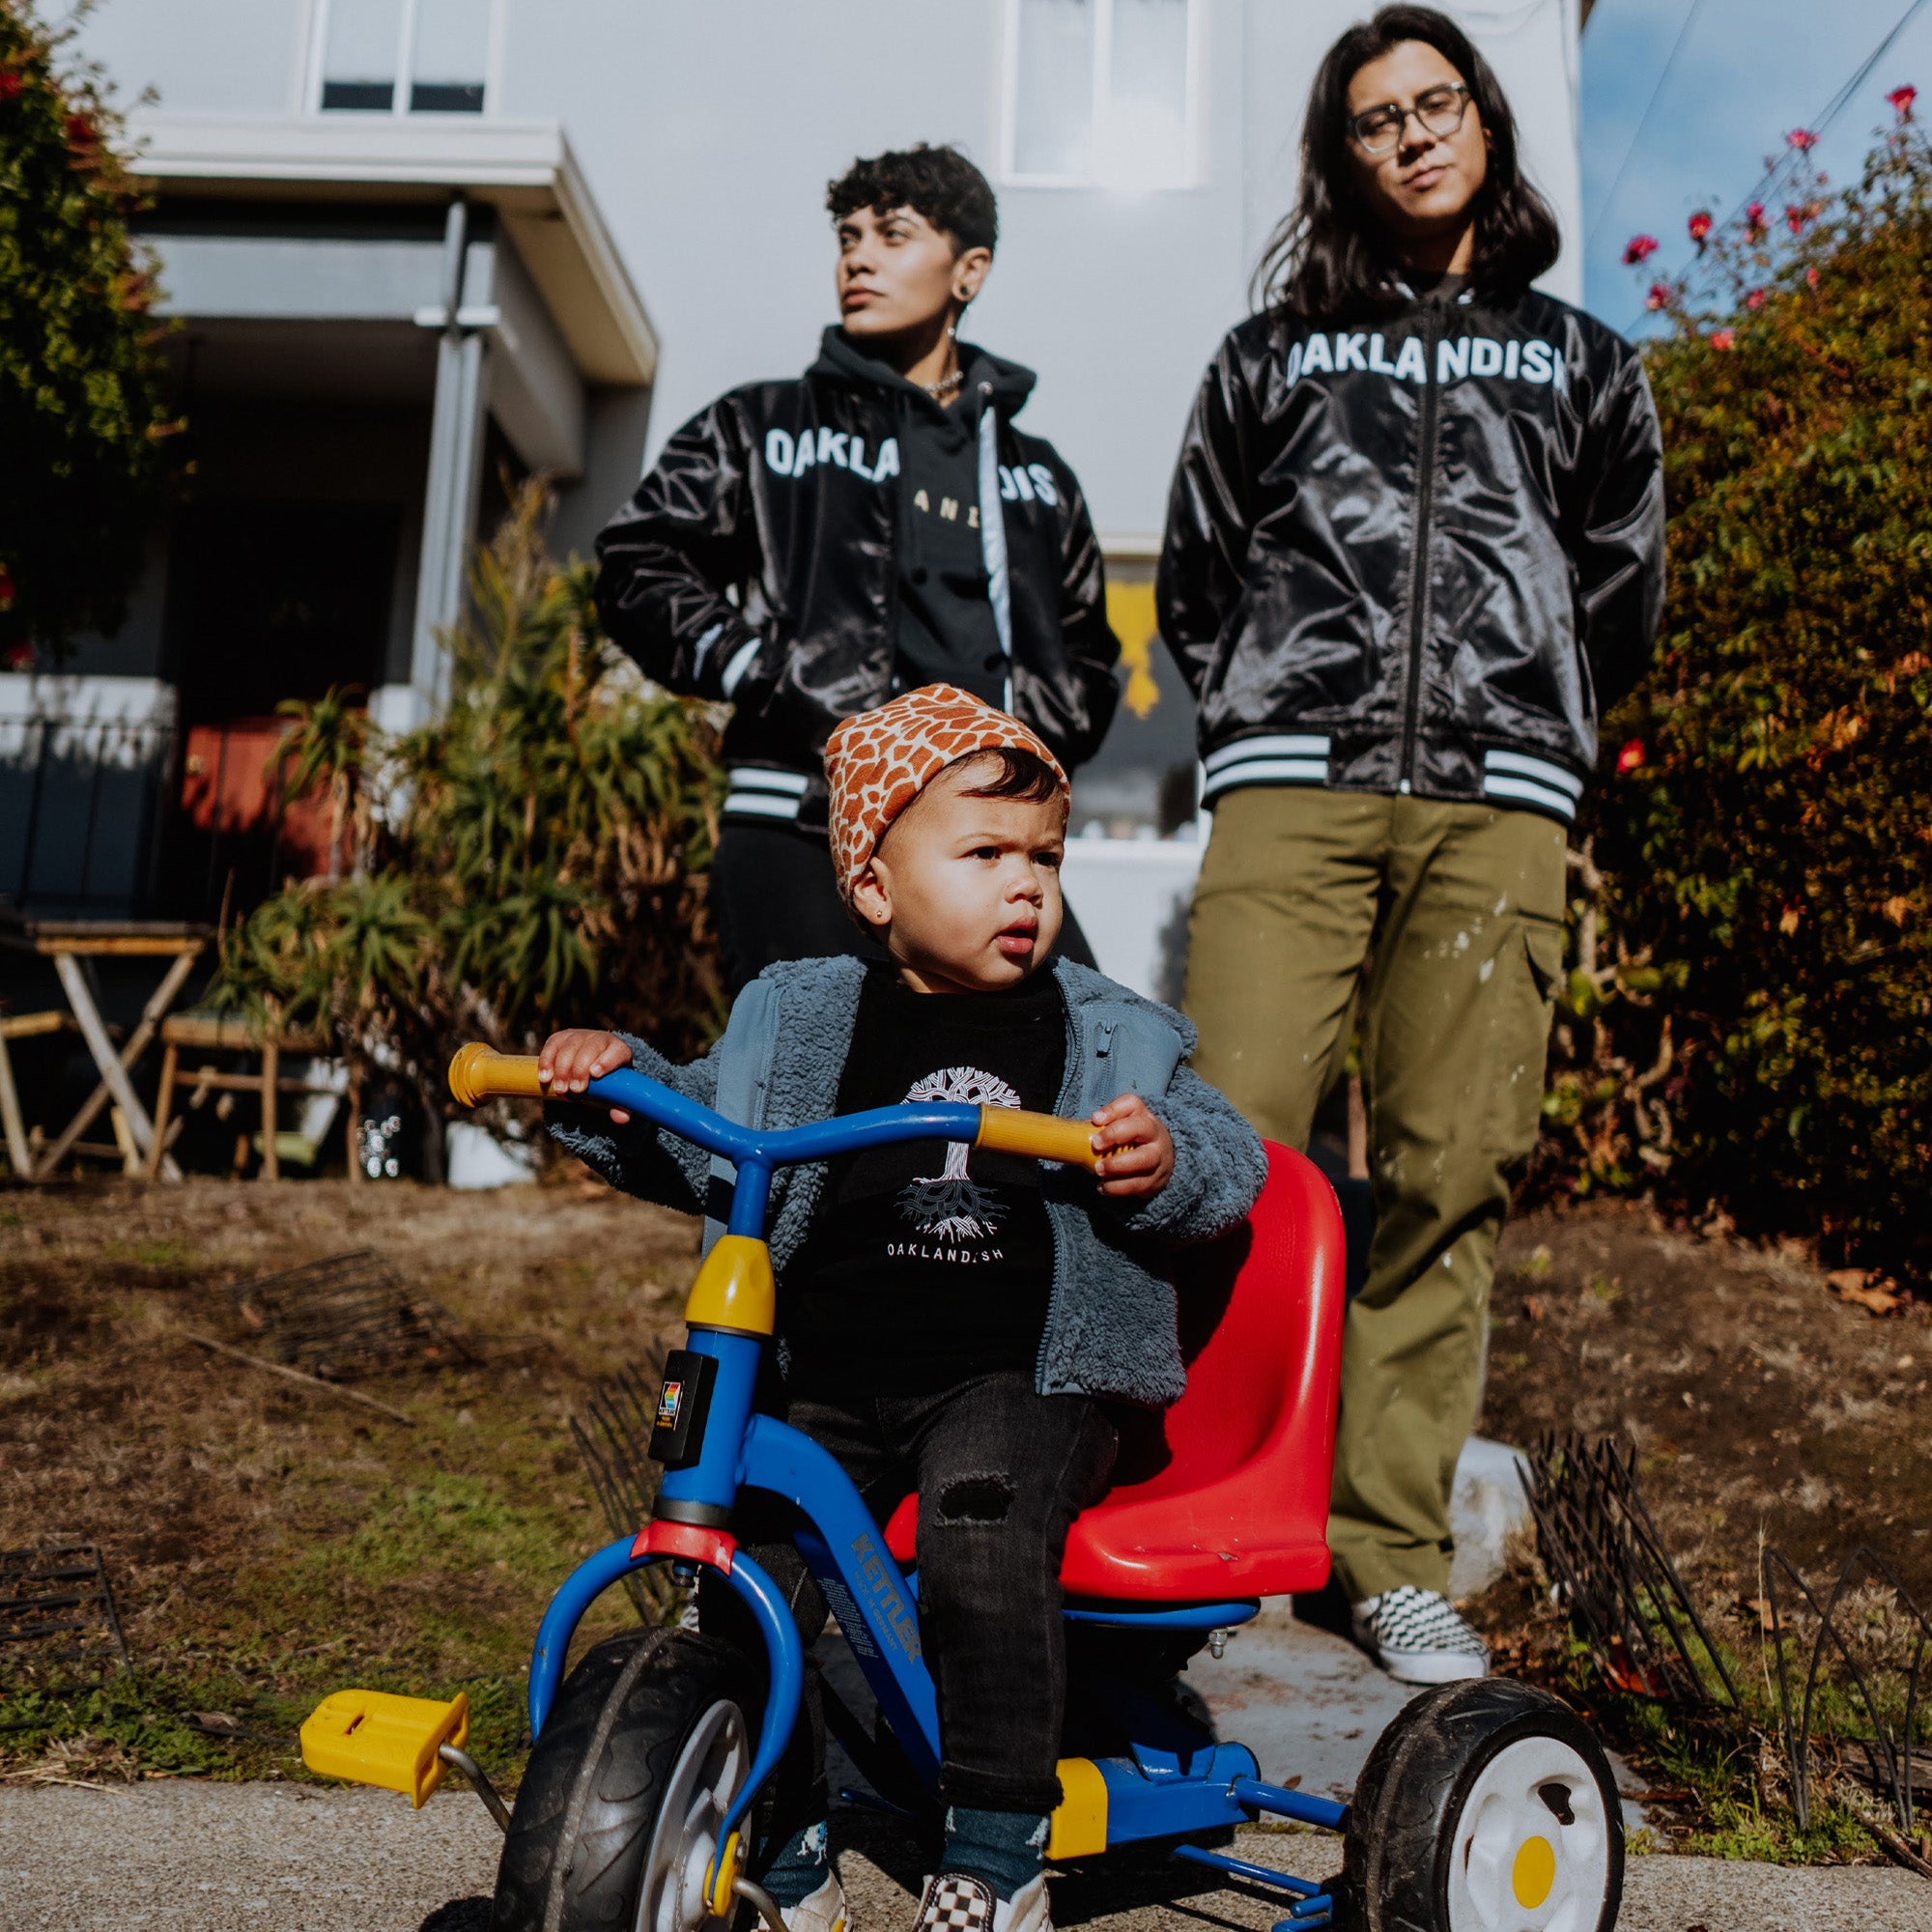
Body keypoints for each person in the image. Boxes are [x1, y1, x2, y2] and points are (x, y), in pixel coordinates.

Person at [541, 684, 1266, 1932]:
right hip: (831, 1371)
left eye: (1043, 856)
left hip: (1024, 1373)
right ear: (873, 885)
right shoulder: (808, 1017)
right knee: (749, 1552)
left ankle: (993, 1854)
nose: (1026, 886)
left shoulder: (1104, 1031)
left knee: (980, 1526)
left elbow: (1227, 1153)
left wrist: (1163, 1157)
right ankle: (788, 1831)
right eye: (983, 854)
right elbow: (709, 1134)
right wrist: (613, 1086)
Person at [1158, 6, 1663, 1683]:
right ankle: (1186, 1516)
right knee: (1223, 1149)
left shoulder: (1587, 362)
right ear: (1345, 157)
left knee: (1451, 1173)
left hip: (1498, 804)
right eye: (1379, 121)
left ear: (1486, 121)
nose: (1417, 137)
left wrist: (1538, 733)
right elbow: (1203, 566)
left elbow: (1622, 592)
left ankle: (1382, 1555)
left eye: (1439, 104)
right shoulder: (1272, 355)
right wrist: (1253, 727)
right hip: (1293, 792)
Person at [595, 144, 1120, 993]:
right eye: (848, 236)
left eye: (893, 234)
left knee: (1086, 1072)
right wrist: (768, 674)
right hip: (802, 824)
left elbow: (1088, 652)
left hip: (983, 847)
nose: (859, 257)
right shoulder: (762, 425)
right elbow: (635, 560)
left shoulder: (1038, 475)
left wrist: (1032, 746)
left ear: (968, 271)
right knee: (816, 1098)